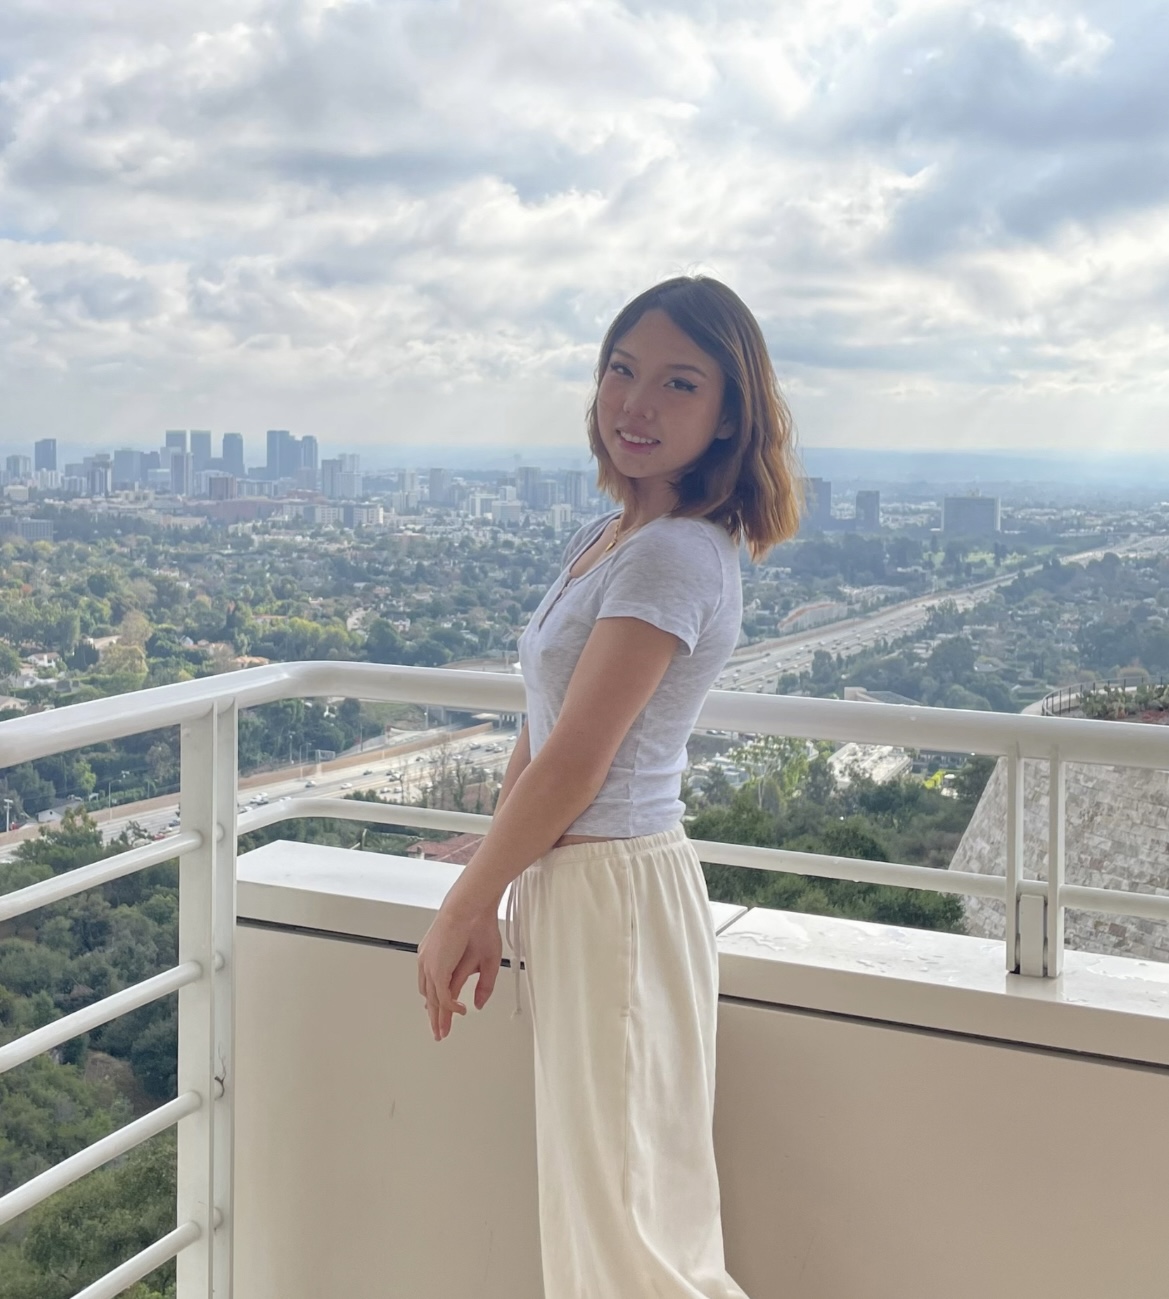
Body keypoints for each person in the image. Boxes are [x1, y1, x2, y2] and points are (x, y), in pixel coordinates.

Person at [417, 275, 802, 1297]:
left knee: (638, 1231)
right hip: (582, 890)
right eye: (621, 371)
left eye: (678, 384)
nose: (636, 404)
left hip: (616, 898)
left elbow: (581, 760)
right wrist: (498, 851)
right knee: (601, 1212)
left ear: (728, 417)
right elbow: (542, 729)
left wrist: (471, 898)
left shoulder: (673, 554)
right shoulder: (612, 537)